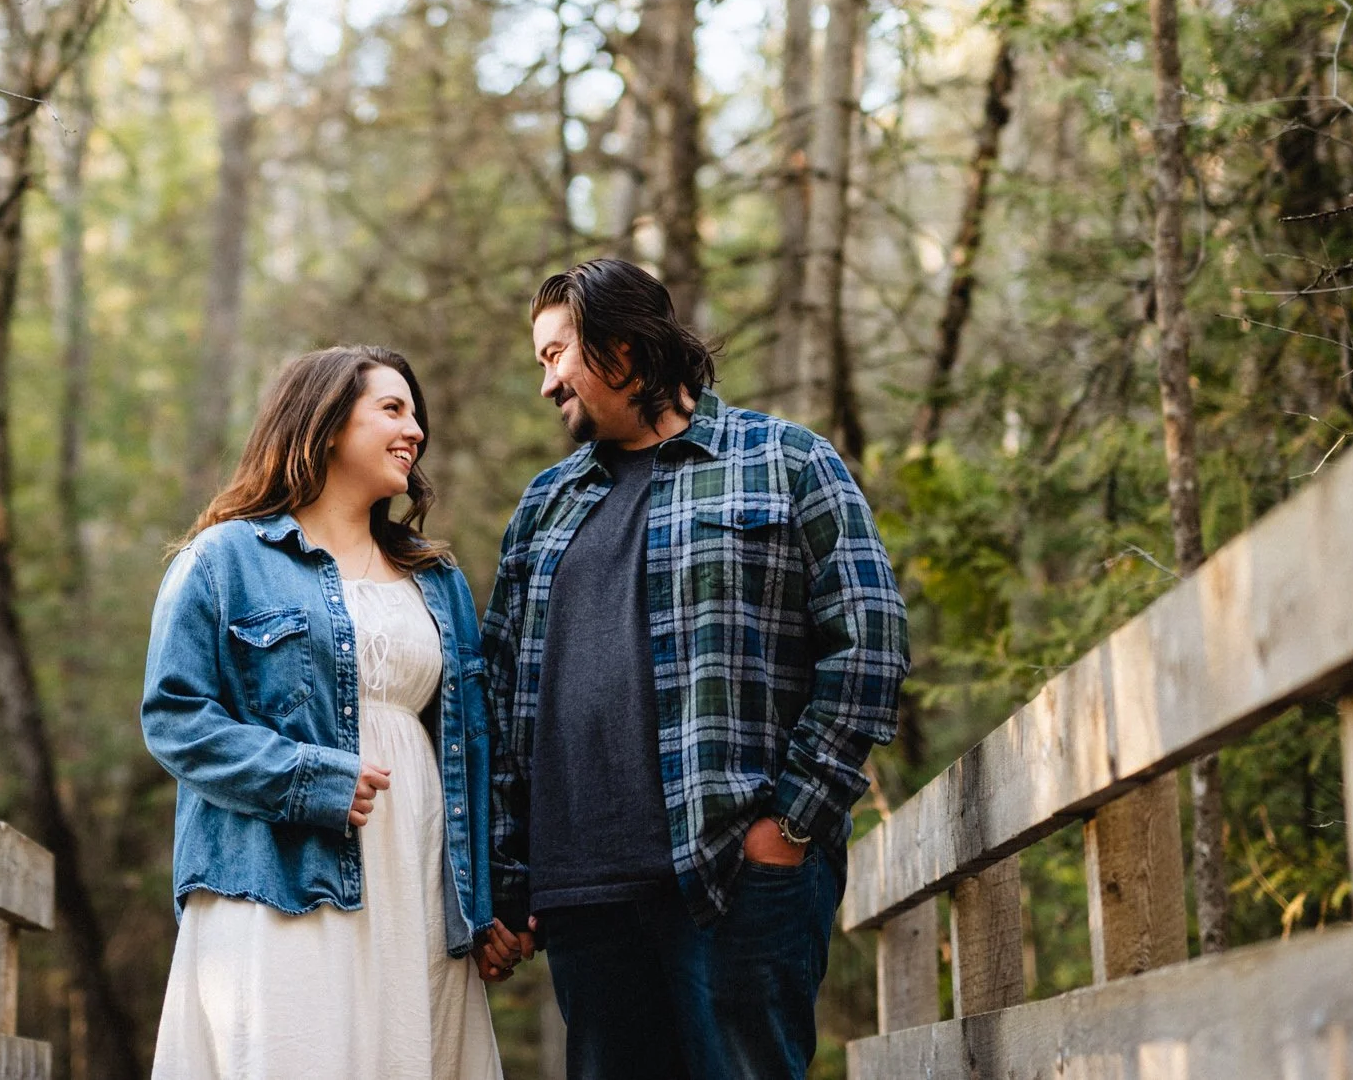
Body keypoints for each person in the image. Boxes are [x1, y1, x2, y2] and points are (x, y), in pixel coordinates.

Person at [475, 260, 910, 1080]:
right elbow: (495, 695)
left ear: (625, 350)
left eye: (556, 354)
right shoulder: (544, 506)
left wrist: (787, 826)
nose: (547, 383)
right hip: (584, 899)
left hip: (733, 881)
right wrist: (510, 873)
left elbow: (870, 643)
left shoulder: (786, 461)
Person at [143, 346, 502, 1080]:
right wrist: (312, 779)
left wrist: (492, 895)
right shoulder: (224, 558)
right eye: (392, 409)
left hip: (418, 875)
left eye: (416, 415)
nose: (416, 432)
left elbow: (474, 741)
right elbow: (174, 716)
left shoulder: (436, 579)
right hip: (282, 873)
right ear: (329, 422)